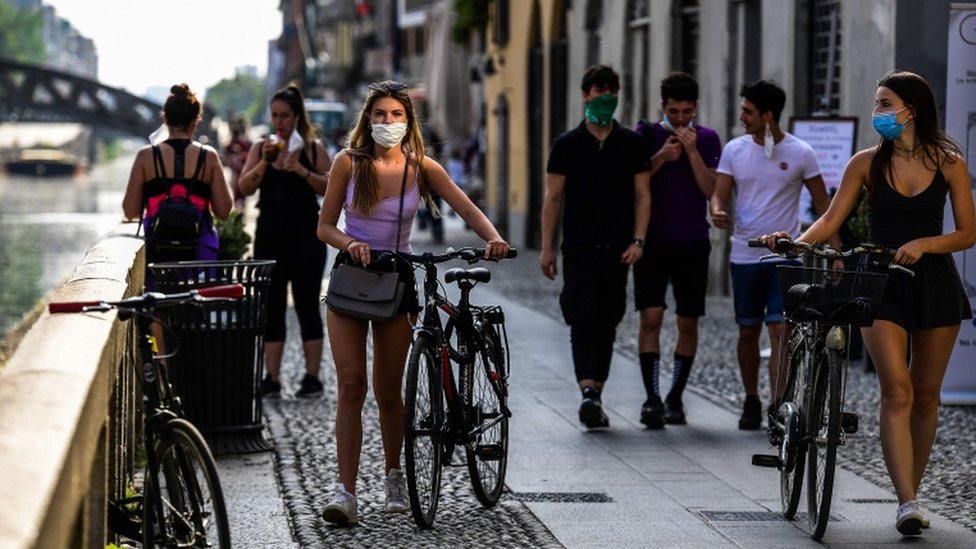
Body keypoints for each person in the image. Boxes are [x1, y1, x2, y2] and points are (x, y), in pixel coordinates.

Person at [758, 70, 974, 536]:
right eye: (877, 103)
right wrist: (794, 242)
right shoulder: (865, 163)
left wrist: (925, 244)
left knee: (927, 395)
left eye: (884, 103)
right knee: (896, 389)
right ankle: (906, 501)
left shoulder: (949, 161)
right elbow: (830, 218)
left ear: (910, 110)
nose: (878, 112)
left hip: (934, 282)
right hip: (878, 281)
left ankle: (911, 493)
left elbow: (968, 232)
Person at [316, 80, 510, 525]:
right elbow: (324, 226)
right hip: (350, 281)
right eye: (379, 115)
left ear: (408, 121)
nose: (387, 123)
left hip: (397, 283)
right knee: (350, 385)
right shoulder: (347, 163)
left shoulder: (421, 167)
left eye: (396, 115)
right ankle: (345, 492)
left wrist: (494, 238)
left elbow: (468, 209)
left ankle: (393, 476)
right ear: (368, 119)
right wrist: (350, 244)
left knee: (389, 390)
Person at [709, 79, 840, 430]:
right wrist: (718, 209)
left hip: (786, 256)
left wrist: (837, 251)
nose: (741, 117)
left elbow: (825, 206)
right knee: (747, 331)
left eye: (747, 111)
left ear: (768, 115)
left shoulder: (801, 153)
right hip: (745, 255)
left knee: (780, 330)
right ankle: (750, 398)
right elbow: (719, 194)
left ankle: (777, 404)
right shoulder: (734, 150)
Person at [541, 64, 652, 430]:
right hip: (578, 247)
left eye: (612, 91)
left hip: (619, 248)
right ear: (585, 95)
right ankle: (587, 390)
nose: (606, 97)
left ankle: (595, 393)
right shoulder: (566, 146)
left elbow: (642, 195)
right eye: (599, 90)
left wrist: (639, 239)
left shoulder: (633, 144)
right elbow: (553, 198)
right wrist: (547, 247)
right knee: (581, 316)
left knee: (608, 319)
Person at [632, 72, 722, 428]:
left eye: (687, 111)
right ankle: (652, 398)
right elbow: (634, 184)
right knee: (650, 317)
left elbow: (710, 189)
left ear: (695, 107)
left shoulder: (709, 138)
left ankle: (675, 397)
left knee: (687, 320)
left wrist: (691, 151)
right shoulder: (645, 136)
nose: (681, 118)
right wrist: (660, 157)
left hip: (692, 242)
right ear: (662, 106)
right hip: (652, 242)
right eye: (674, 111)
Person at [239, 84, 332, 399]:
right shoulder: (261, 147)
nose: (279, 122)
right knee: (272, 307)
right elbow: (244, 187)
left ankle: (312, 378)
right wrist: (266, 162)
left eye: (284, 116)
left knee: (307, 305)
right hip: (269, 237)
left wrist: (301, 171)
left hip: (306, 238)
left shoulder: (312, 148)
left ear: (296, 118)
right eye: (275, 116)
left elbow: (332, 188)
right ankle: (272, 378)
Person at [123, 83, 233, 269]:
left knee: (160, 296)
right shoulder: (209, 157)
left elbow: (130, 211)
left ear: (165, 119)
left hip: (158, 255)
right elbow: (223, 211)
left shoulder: (146, 156)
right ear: (196, 120)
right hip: (200, 255)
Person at [223, 116, 252, 210]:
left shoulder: (244, 143)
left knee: (240, 196)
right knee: (238, 196)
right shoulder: (244, 143)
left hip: (240, 173)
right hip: (237, 173)